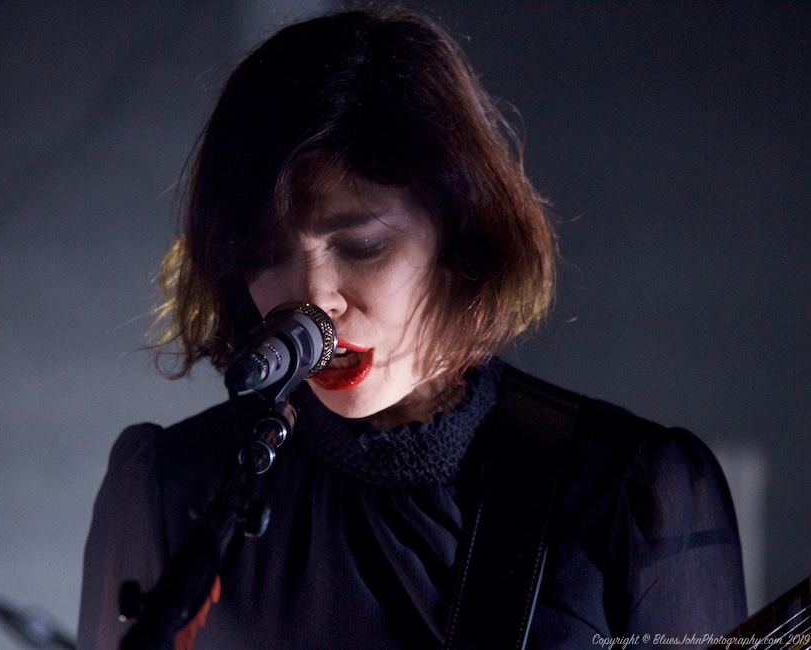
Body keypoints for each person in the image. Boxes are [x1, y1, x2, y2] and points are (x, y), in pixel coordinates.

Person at [79, 7, 746, 649]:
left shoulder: (633, 492)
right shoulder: (166, 491)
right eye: (266, 256)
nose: (312, 300)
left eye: (361, 246)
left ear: (460, 232)